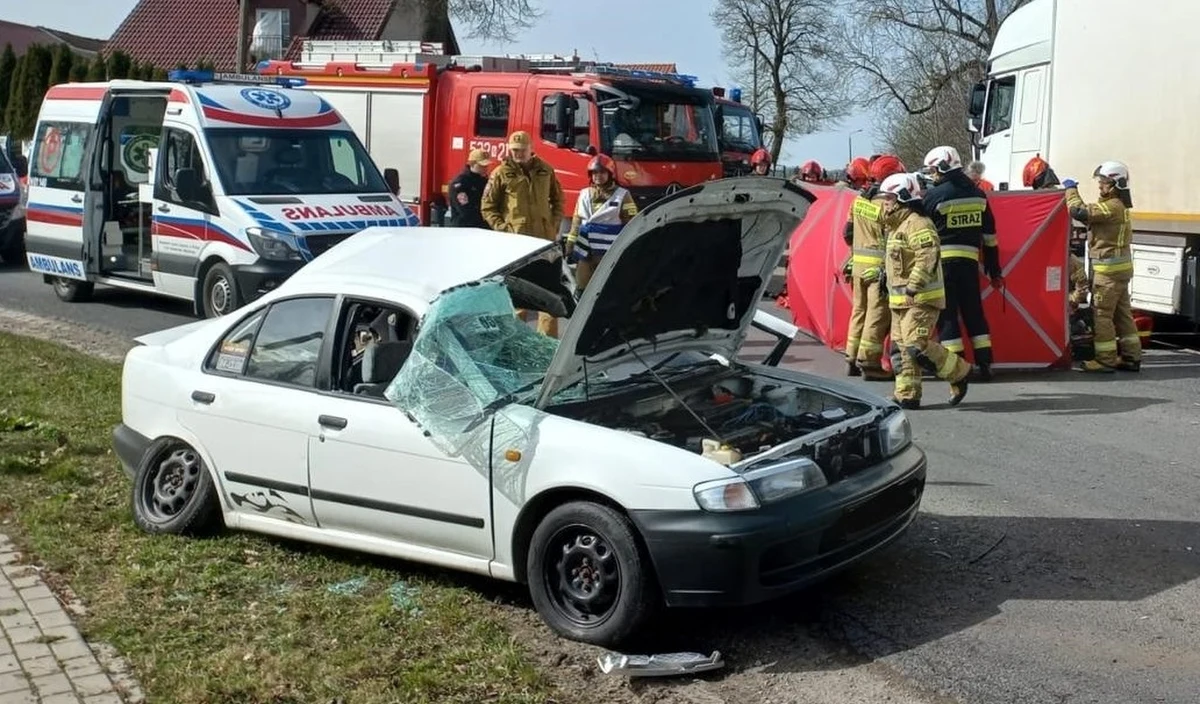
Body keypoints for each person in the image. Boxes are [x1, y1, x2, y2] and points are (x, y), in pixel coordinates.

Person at [879, 172, 971, 409]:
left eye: (888, 197)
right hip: (899, 301)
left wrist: (913, 286)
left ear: (902, 196)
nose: (884, 202)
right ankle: (908, 394)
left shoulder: (918, 223)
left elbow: (927, 256)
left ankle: (960, 373)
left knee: (916, 344)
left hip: (921, 298)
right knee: (901, 350)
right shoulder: (896, 226)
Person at [921, 145, 1002, 381]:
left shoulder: (935, 196)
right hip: (969, 264)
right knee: (973, 311)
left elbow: (922, 231)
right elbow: (990, 235)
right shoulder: (978, 195)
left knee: (948, 316)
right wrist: (994, 268)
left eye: (934, 171)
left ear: (943, 168)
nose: (933, 176)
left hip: (942, 266)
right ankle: (985, 363)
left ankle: (957, 367)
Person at [480, 130, 565, 337]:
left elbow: (558, 200)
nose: (518, 154)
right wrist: (503, 229)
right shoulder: (500, 173)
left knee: (548, 294)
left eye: (522, 150)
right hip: (515, 245)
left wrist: (553, 224)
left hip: (543, 242)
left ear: (531, 149)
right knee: (518, 297)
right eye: (515, 150)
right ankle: (515, 341)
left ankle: (548, 346)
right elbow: (488, 206)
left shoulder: (546, 170)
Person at [1062, 161, 1142, 372]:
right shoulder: (1119, 206)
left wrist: (1070, 189)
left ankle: (1105, 360)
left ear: (1116, 184)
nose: (1100, 186)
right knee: (1123, 314)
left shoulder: (1111, 206)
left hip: (1108, 273)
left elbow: (1078, 211)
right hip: (1119, 271)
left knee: (1102, 315)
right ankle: (1131, 357)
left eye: (1104, 182)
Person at [842, 153, 906, 380]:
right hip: (879, 270)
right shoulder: (889, 205)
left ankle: (851, 358)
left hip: (858, 267)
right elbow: (896, 239)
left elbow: (847, 234)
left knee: (859, 311)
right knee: (878, 316)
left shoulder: (858, 201)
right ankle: (869, 364)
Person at [1023, 155, 1090, 309]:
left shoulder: (1043, 200)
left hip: (1051, 254)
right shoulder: (1058, 197)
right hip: (1057, 253)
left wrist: (1070, 301)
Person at [564, 154, 638, 291]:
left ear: (610, 174)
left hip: (609, 252)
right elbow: (576, 222)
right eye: (594, 172)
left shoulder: (623, 195)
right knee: (582, 286)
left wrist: (630, 248)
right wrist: (570, 245)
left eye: (602, 172)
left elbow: (631, 224)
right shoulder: (584, 194)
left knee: (609, 287)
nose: (598, 175)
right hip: (585, 250)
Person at [446, 148, 492, 228]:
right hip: (464, 229)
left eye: (486, 166)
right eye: (481, 165)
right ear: (472, 164)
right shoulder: (460, 184)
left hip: (482, 227)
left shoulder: (484, 181)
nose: (485, 168)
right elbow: (466, 211)